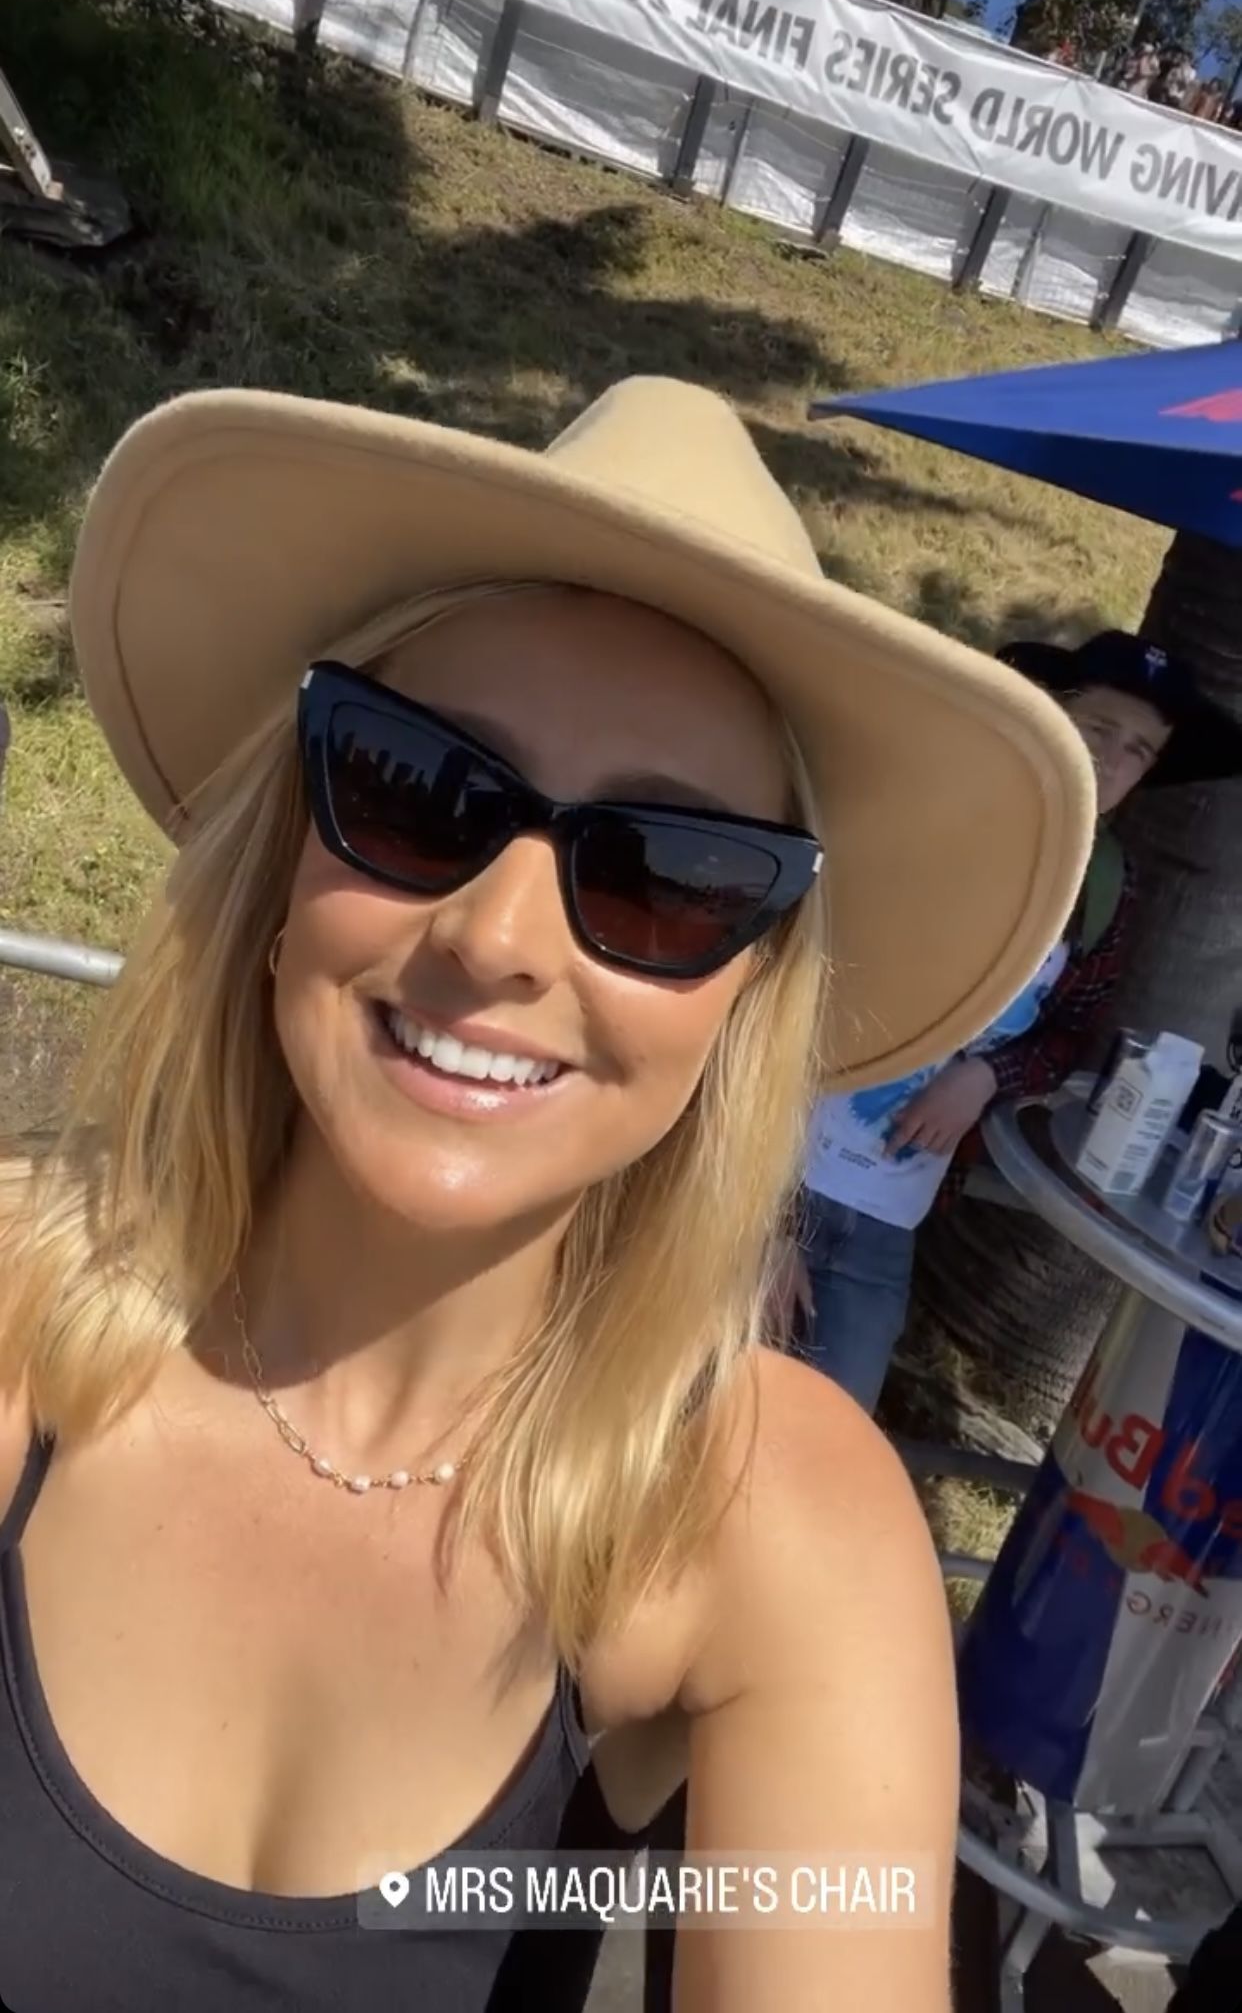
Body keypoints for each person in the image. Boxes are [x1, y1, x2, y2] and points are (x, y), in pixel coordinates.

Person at [0, 377, 1095, 2012]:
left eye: (666, 874)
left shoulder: (775, 1521)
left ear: (743, 996)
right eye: (415, 787)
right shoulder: (18, 1301)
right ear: (286, 843)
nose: (497, 937)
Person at [791, 628, 1242, 1414]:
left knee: (825, 1433)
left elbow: (1069, 1030)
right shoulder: (941, 822)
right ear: (1050, 715)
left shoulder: (1104, 887)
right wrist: (760, 1223)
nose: (1111, 759)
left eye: (1138, 749)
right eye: (1098, 727)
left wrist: (986, 1074)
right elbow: (796, 984)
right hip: (776, 1181)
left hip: (887, 1221)